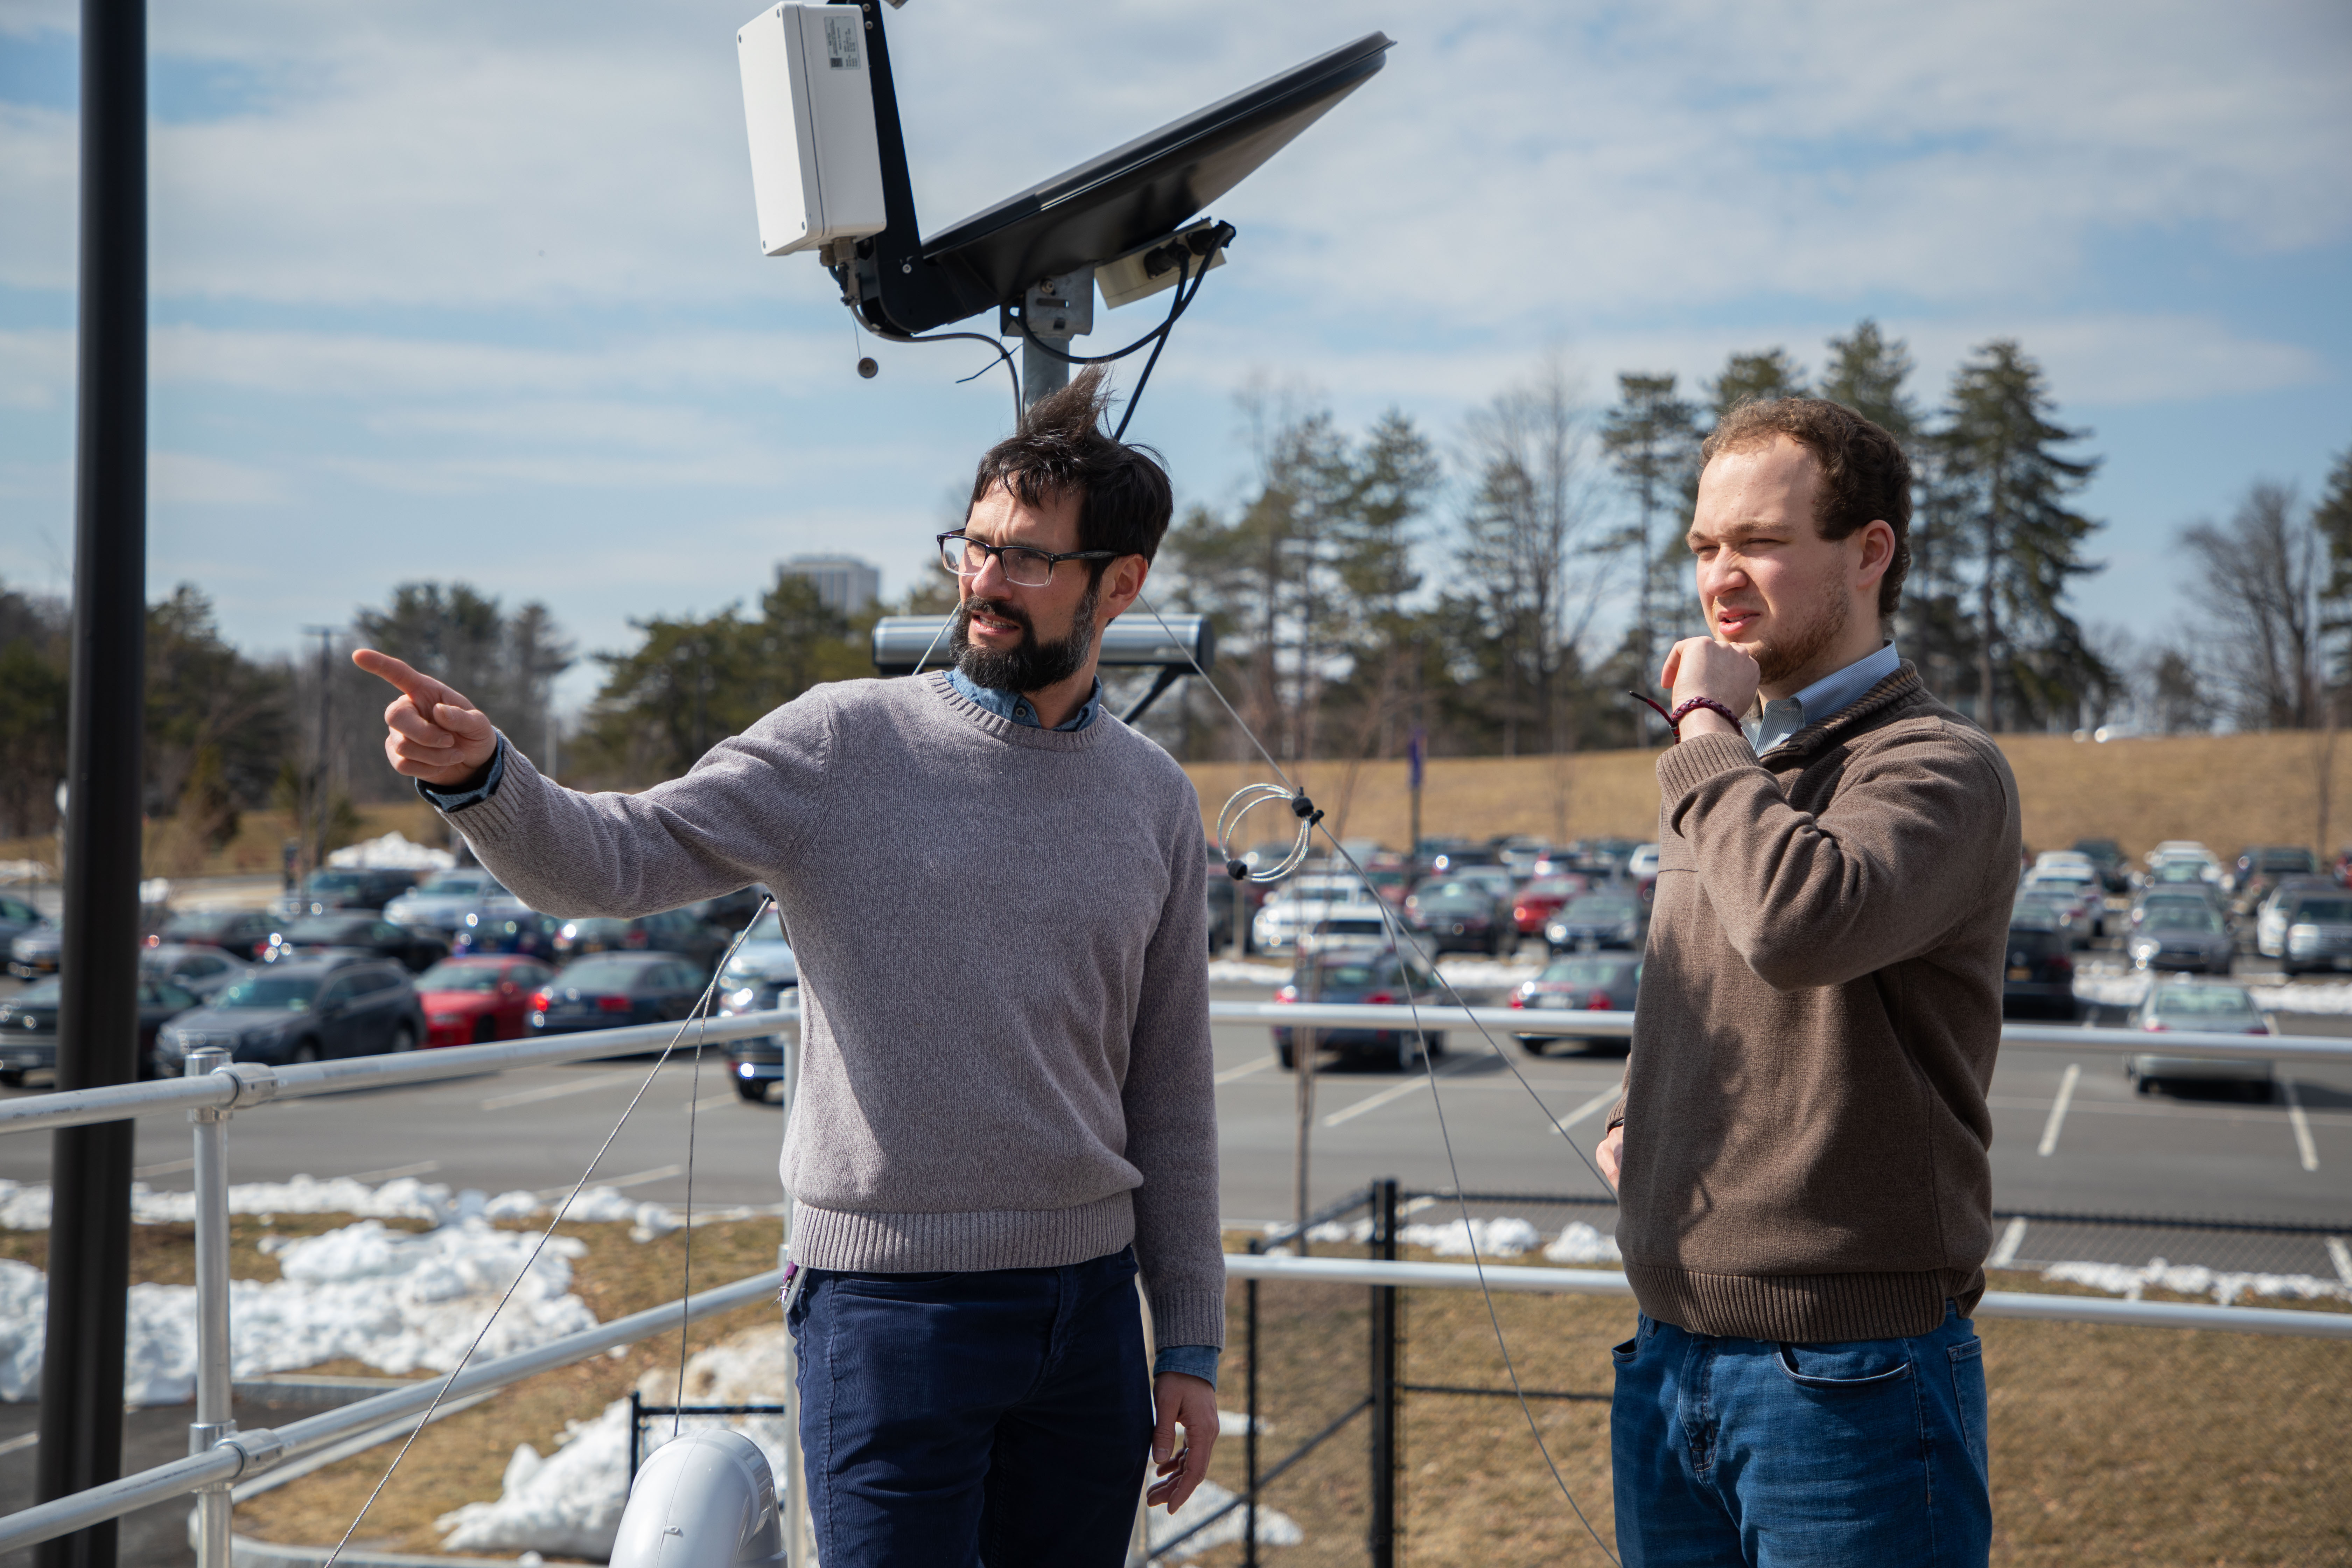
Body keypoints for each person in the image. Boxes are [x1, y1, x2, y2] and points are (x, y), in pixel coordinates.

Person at [356, 367, 1222, 1567]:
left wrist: (1188, 1344)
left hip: (1089, 1319)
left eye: (1026, 559)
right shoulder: (841, 743)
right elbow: (614, 861)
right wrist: (480, 777)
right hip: (887, 1315)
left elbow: (1172, 1090)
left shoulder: (1156, 798)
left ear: (1120, 586)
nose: (982, 583)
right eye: (971, 548)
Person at [1597, 396, 2018, 1567]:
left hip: (1850, 1378)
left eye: (1763, 543)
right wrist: (1643, 1111)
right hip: (1669, 1352)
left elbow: (1796, 926)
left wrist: (1703, 727)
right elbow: (1697, 983)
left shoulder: (1939, 768)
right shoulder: (1731, 765)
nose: (1723, 579)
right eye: (1705, 547)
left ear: (1868, 551)